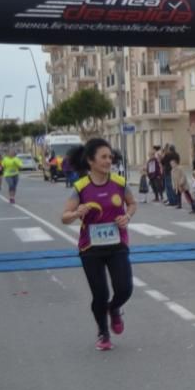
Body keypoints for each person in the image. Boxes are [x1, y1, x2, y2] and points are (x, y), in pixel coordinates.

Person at [61, 138, 137, 351]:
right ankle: (103, 333)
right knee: (100, 294)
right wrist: (76, 213)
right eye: (103, 157)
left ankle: (114, 309)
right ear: (91, 161)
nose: (108, 161)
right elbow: (64, 217)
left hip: (117, 244)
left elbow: (132, 203)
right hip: (90, 248)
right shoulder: (81, 187)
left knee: (125, 288)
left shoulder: (119, 183)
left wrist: (127, 217)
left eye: (110, 157)